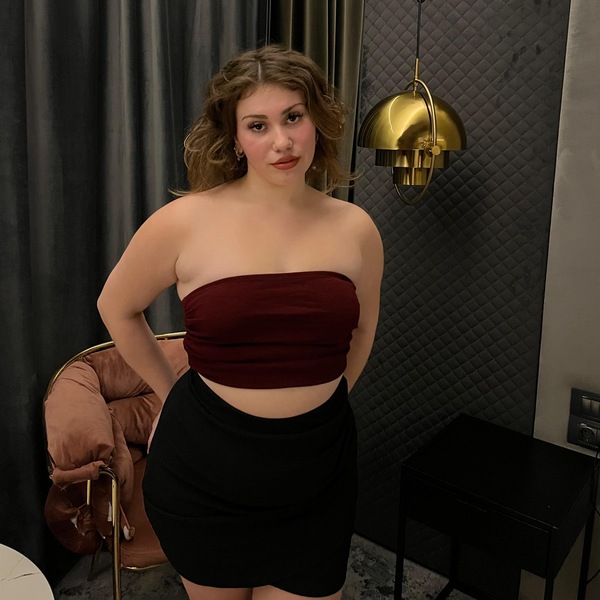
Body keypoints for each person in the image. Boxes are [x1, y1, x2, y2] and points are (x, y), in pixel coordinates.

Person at [97, 45, 384, 600]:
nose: (281, 141)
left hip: (316, 474)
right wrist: (171, 393)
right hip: (205, 476)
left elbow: (364, 330)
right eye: (258, 125)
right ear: (234, 138)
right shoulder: (184, 222)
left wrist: (322, 405)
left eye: (293, 117)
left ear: (316, 121)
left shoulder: (356, 228)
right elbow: (117, 307)